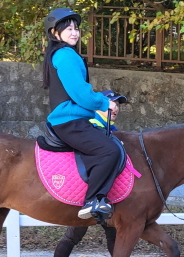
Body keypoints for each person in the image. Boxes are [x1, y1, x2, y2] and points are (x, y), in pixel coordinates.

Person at [41, 93, 152, 257]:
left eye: (118, 105)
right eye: (111, 104)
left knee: (111, 232)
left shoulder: (108, 129)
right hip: (86, 194)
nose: (116, 108)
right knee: (73, 235)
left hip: (103, 195)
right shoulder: (90, 125)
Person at [42, 7, 118, 220]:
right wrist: (105, 103)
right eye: (68, 29)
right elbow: (81, 94)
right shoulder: (66, 55)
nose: (74, 32)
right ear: (54, 33)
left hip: (70, 119)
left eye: (76, 28)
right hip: (70, 121)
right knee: (109, 151)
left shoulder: (60, 54)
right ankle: (92, 200)